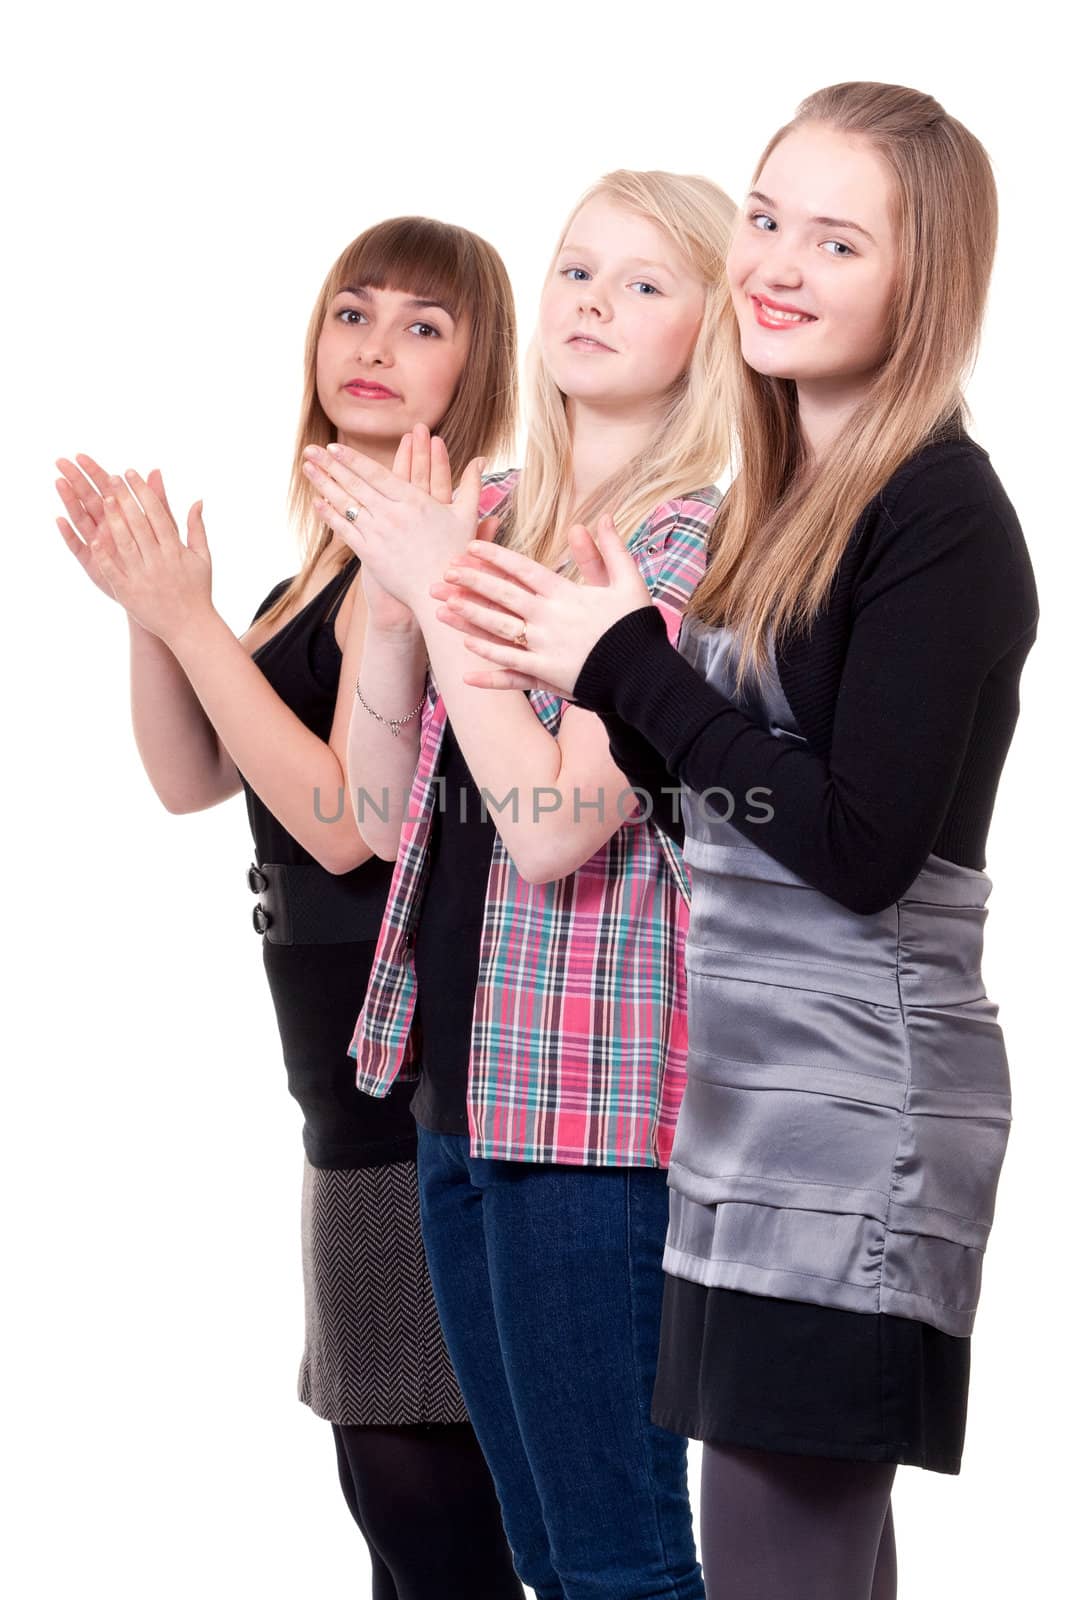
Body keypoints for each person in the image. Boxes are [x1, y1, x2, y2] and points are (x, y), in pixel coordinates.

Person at [439, 84, 1039, 1600]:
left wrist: (628, 667)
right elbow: (699, 788)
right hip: (751, 1115)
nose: (775, 263)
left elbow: (853, 845)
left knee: (780, 1562)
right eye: (768, 220)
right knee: (791, 1560)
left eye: (836, 241)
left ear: (927, 283)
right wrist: (579, 657)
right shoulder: (792, 504)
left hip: (853, 1122)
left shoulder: (940, 511)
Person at [54, 215, 525, 1600]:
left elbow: (343, 828)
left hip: (430, 1077)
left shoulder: (450, 561)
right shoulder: (306, 579)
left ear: (478, 366)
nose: (375, 349)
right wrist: (153, 611)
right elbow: (191, 778)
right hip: (340, 1086)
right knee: (396, 1492)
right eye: (354, 315)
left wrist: (193, 622)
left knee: (427, 1496)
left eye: (423, 327)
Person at [301, 169, 735, 1598]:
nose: (595, 304)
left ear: (712, 330)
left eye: (646, 283)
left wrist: (435, 588)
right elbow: (370, 809)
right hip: (455, 1085)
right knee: (542, 1553)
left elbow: (555, 824)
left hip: (594, 1112)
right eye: (575, 272)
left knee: (616, 1557)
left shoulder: (698, 548)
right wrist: (387, 607)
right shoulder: (481, 502)